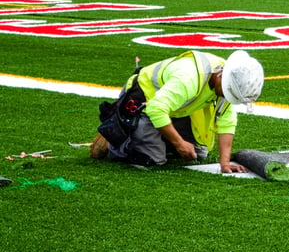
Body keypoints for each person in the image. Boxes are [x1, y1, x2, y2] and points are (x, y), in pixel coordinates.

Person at [90, 50, 264, 174]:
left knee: (199, 153)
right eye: (227, 92)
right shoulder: (188, 77)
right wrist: (180, 143)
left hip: (175, 108)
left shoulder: (227, 79)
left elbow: (227, 121)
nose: (226, 97)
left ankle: (156, 137)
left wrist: (224, 163)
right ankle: (117, 137)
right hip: (143, 101)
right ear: (221, 76)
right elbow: (156, 109)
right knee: (152, 159)